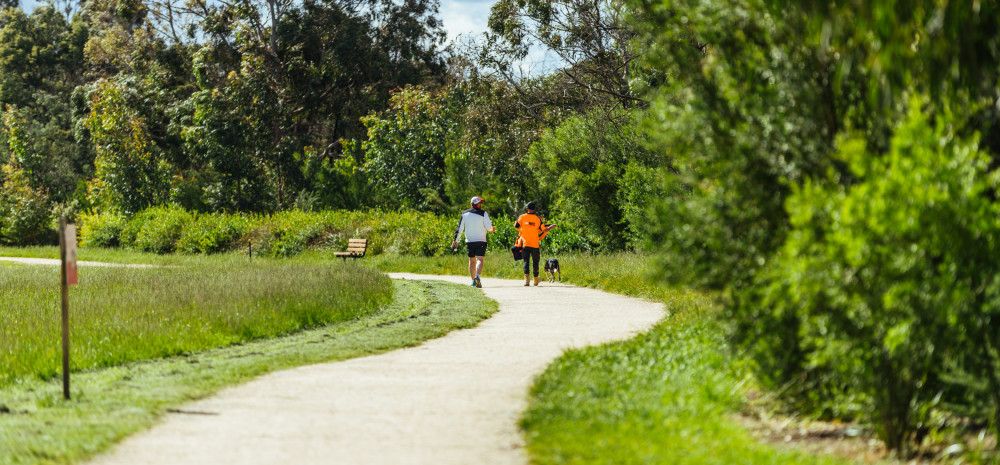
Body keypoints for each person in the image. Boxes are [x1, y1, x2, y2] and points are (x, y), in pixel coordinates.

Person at [451, 196, 495, 288]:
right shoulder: (483, 213)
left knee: (472, 261)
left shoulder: (464, 214)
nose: (480, 205)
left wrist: (456, 241)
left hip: (470, 241)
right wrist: (492, 229)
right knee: (480, 259)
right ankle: (477, 277)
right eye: (479, 203)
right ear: (475, 204)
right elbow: (489, 228)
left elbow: (460, 229)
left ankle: (473, 281)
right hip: (481, 240)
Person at [515, 202, 556, 286]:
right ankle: (536, 281)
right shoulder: (537, 219)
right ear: (534, 209)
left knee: (526, 262)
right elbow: (544, 229)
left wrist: (522, 232)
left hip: (525, 244)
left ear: (527, 209)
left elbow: (516, 226)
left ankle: (526, 281)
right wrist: (550, 227)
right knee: (535, 263)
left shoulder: (522, 217)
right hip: (535, 245)